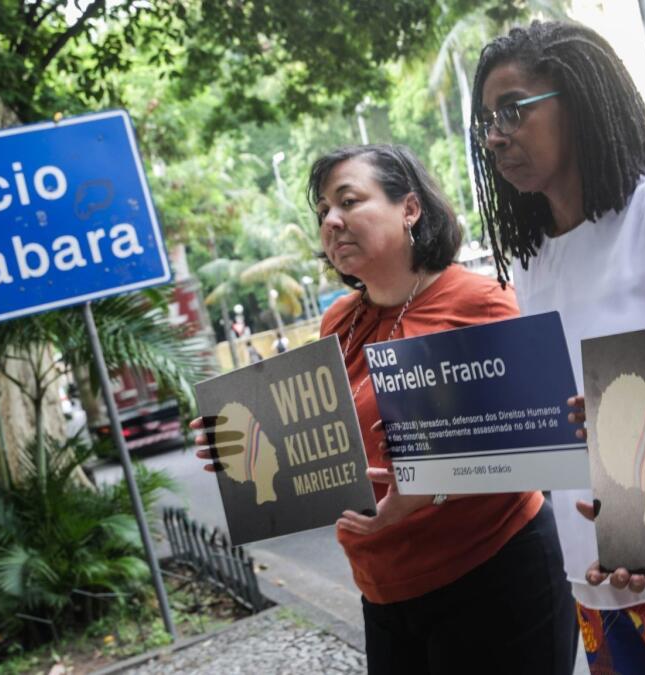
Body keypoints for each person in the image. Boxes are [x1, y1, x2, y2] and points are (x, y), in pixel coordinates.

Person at [194, 144, 578, 673]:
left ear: (410, 209)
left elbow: (541, 445)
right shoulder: (337, 323)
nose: (331, 220)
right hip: (382, 590)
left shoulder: (482, 304)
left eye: (348, 201)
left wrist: (430, 491)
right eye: (323, 210)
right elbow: (318, 444)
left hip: (493, 576)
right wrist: (236, 444)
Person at [470, 20, 645, 673]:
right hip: (592, 576)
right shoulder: (533, 256)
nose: (495, 135)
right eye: (488, 119)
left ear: (579, 98)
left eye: (512, 110)